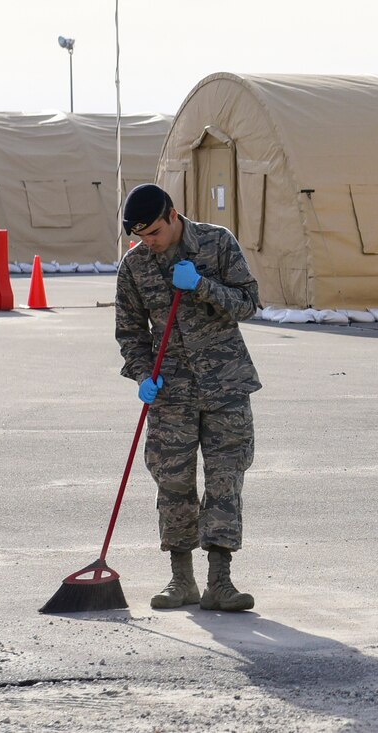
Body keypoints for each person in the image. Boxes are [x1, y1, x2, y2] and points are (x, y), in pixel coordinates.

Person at [113, 183, 262, 611]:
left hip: (226, 385)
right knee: (173, 482)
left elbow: (250, 302)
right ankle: (182, 580)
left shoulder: (216, 243)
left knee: (224, 481)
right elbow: (129, 333)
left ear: (174, 216)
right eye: (141, 237)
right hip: (170, 392)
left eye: (156, 232)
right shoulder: (135, 266)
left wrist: (202, 286)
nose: (150, 243)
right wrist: (143, 374)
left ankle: (221, 582)